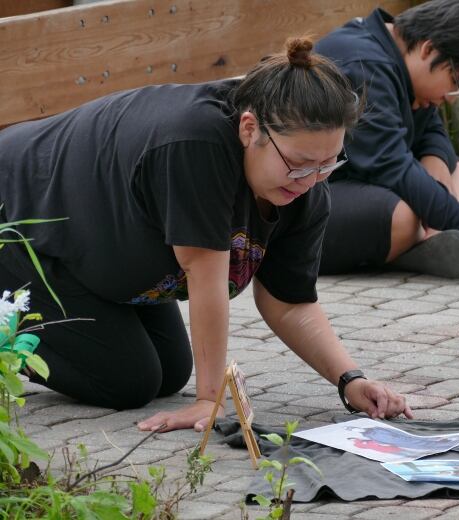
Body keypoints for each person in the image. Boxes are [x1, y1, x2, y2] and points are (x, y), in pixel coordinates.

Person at [0, 38, 412, 433]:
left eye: (328, 164)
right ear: (250, 130)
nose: (311, 180)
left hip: (92, 245)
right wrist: (208, 401)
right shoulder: (196, 145)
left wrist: (350, 380)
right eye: (300, 163)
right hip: (19, 220)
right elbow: (205, 276)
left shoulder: (303, 182)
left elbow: (289, 302)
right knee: (127, 381)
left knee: (169, 372)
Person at [315, 0, 459, 280]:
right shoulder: (366, 65)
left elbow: (432, 133)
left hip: (363, 186)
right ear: (429, 49)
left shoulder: (402, 64)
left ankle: (429, 239)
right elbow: (391, 168)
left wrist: (436, 164)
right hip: (301, 205)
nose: (450, 98)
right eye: (455, 83)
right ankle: (420, 244)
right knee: (403, 218)